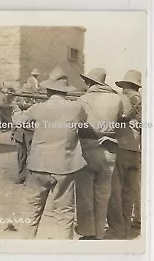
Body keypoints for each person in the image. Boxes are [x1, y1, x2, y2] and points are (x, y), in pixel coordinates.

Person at [13, 80, 88, 239]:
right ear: (65, 91)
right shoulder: (76, 107)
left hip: (39, 165)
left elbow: (19, 120)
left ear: (48, 91)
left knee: (31, 210)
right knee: (64, 213)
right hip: (65, 166)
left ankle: (25, 249)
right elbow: (83, 121)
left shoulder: (39, 108)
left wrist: (15, 110)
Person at [75, 68, 122, 240]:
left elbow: (77, 122)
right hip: (110, 149)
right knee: (103, 195)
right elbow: (121, 117)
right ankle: (100, 233)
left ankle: (88, 231)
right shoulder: (117, 99)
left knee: (85, 194)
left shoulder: (83, 99)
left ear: (89, 82)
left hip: (88, 148)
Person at [107, 70, 142, 239]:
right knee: (129, 193)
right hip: (136, 151)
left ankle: (117, 230)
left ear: (126, 85)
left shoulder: (123, 99)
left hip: (121, 149)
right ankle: (127, 229)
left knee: (115, 192)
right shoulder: (143, 101)